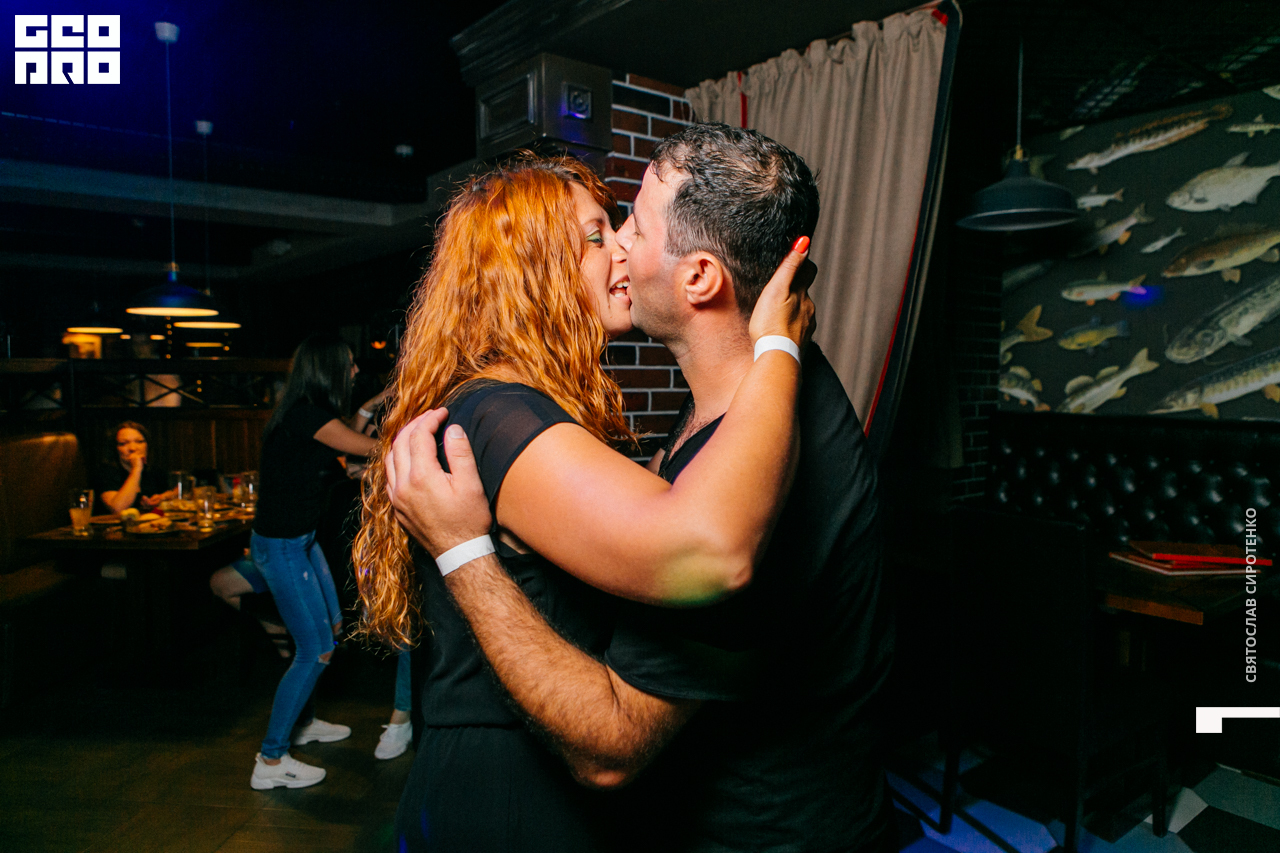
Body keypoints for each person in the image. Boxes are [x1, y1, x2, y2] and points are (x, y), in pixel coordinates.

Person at [384, 125, 895, 853]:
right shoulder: (710, 416)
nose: (621, 245)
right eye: (602, 232)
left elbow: (618, 732)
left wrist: (463, 552)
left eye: (630, 226)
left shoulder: (766, 452)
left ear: (699, 278)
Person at [247, 333, 386, 791]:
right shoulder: (308, 416)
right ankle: (271, 759)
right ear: (328, 369)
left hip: (301, 542)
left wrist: (370, 406)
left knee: (331, 631)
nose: (354, 370)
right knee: (315, 649)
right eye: (348, 364)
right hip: (283, 547)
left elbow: (345, 448)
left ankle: (302, 723)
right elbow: (367, 448)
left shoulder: (307, 413)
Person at [95, 421, 176, 514]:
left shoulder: (154, 471)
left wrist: (162, 497)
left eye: (139, 442)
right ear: (115, 448)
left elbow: (178, 491)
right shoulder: (106, 473)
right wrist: (136, 469)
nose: (132, 448)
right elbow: (118, 508)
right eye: (123, 443)